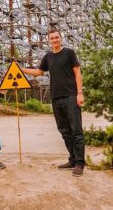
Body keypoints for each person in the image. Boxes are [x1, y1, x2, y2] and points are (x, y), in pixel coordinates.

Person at [21, 29, 85, 177]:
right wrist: (22, 69)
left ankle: (80, 163)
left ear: (60, 39)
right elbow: (39, 72)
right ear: (49, 40)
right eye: (52, 38)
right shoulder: (48, 56)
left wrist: (79, 93)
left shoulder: (69, 53)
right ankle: (73, 159)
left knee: (76, 130)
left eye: (57, 37)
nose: (55, 40)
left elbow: (77, 73)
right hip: (55, 98)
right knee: (64, 131)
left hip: (70, 96)